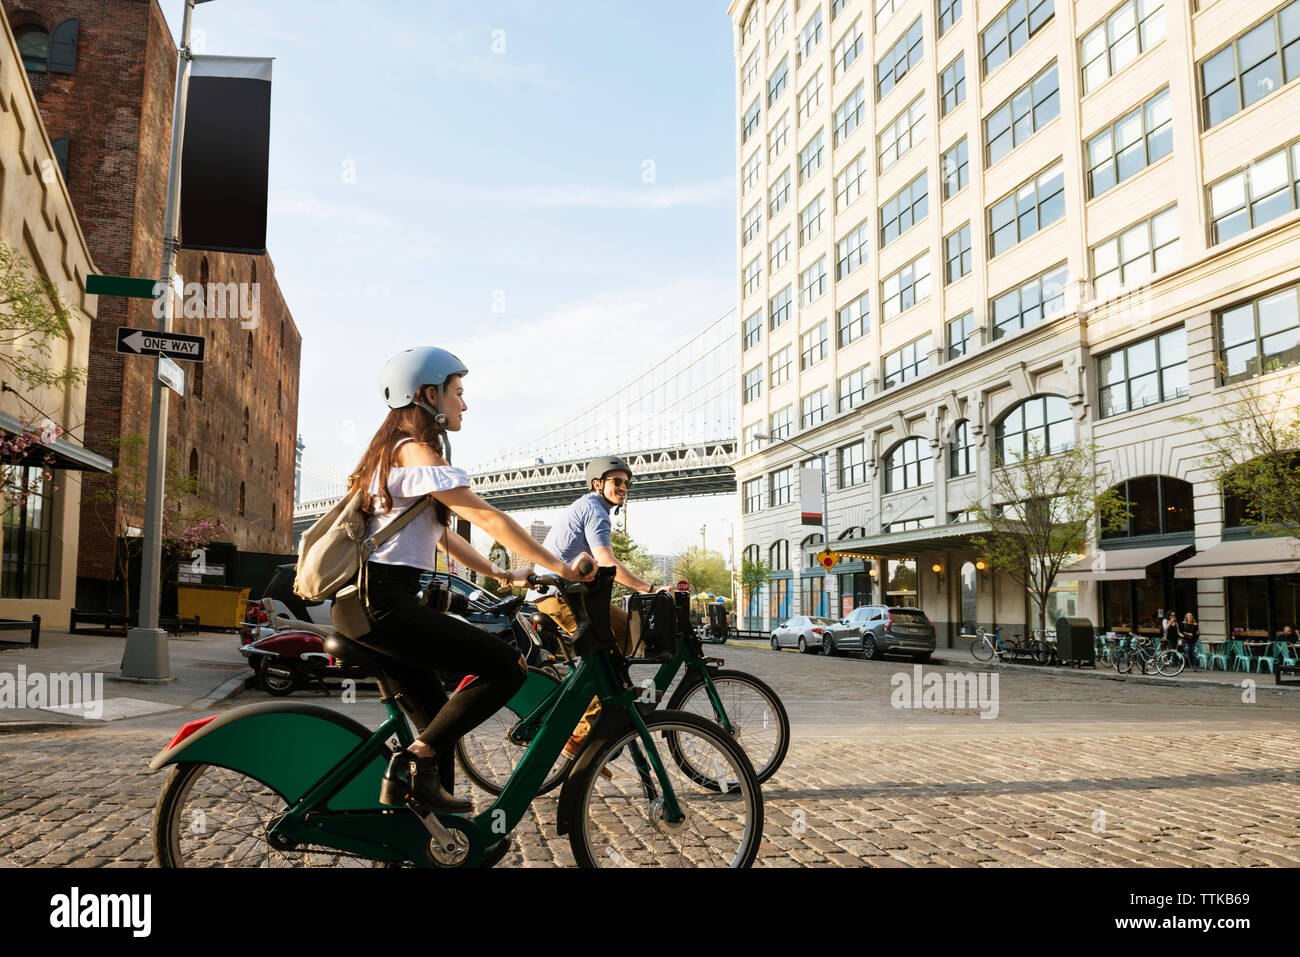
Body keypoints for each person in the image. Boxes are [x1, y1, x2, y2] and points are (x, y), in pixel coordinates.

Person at [351, 347, 594, 834]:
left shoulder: (392, 456)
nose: (465, 404)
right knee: (507, 667)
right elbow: (487, 516)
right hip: (385, 605)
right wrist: (560, 567)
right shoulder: (414, 452)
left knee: (438, 724)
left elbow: (447, 537)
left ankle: (432, 839)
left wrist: (507, 575)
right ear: (428, 394)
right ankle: (406, 765)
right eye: (458, 392)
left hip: (368, 606)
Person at [527, 454, 667, 761]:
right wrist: (650, 589)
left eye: (626, 483)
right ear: (598, 484)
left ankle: (613, 701)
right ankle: (579, 735)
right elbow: (606, 560)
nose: (623, 488)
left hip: (561, 593)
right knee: (601, 654)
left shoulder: (589, 507)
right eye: (616, 482)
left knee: (628, 631)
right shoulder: (595, 510)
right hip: (558, 595)